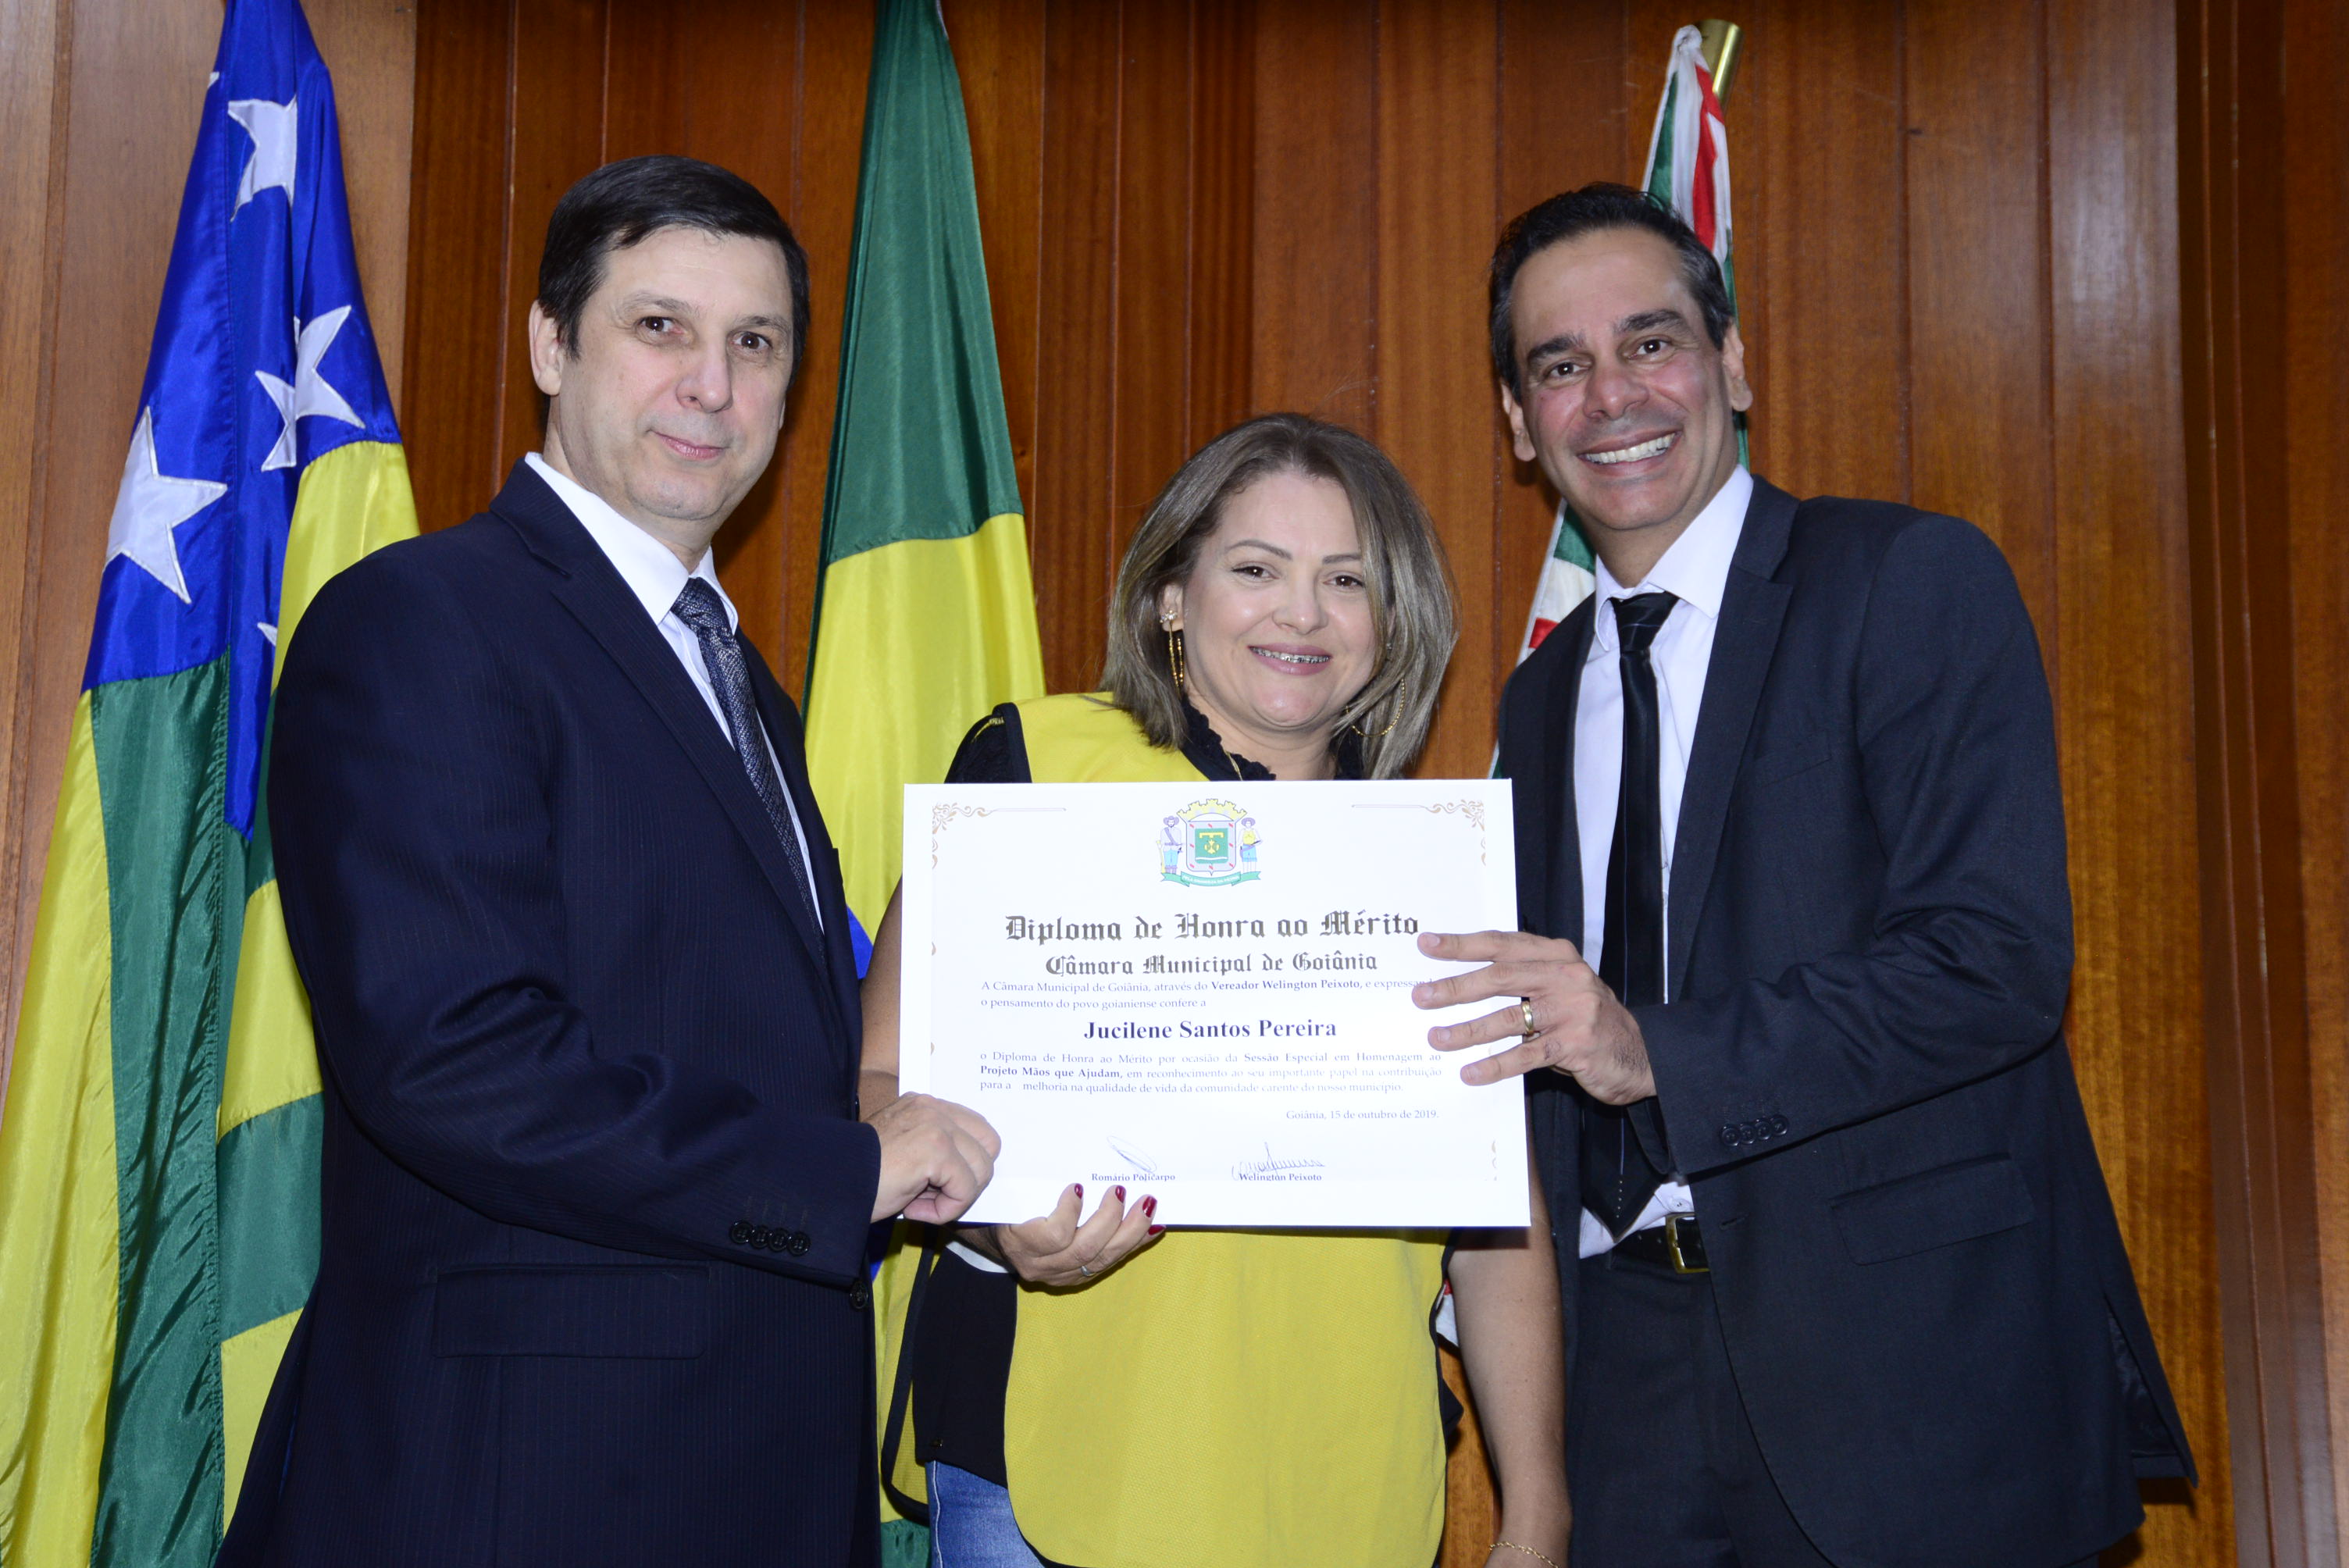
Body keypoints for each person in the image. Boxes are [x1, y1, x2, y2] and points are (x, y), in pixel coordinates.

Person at [217, 156, 998, 1568]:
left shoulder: (744, 689)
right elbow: (455, 1059)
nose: (712, 384)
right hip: (517, 1486)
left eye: (755, 343)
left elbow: (762, 1054)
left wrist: (1003, 1196)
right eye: (659, 327)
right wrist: (840, 1174)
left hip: (746, 1476)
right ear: (548, 344)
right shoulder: (421, 622)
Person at [1410, 183, 2195, 1567]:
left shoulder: (1905, 578)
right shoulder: (1535, 701)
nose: (1612, 395)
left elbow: (1994, 963)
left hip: (1909, 1369)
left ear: (1733, 363)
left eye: (1651, 342)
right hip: (1623, 1388)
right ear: (1520, 424)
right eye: (1561, 365)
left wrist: (1654, 1053)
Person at [862, 414, 1570, 1568]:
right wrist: (994, 1219)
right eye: (1255, 570)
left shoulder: (1431, 862)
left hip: (1339, 1464)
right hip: (1047, 1460)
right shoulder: (1032, 769)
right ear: (1171, 597)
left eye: (1347, 580)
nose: (1303, 614)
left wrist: (1536, 1511)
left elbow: (1496, 1213)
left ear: (1392, 620)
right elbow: (878, 1078)